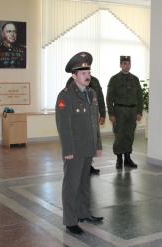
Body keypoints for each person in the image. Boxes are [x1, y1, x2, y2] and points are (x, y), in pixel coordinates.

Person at [55, 52, 103, 235]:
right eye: (83, 73)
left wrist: (97, 145)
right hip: (74, 150)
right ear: (74, 76)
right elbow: (63, 126)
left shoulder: (91, 93)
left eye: (88, 71)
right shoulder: (65, 96)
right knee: (71, 185)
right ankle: (70, 220)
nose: (87, 75)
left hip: (88, 147)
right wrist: (67, 149)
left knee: (84, 183)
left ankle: (83, 213)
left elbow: (94, 122)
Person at [106, 56, 143, 169]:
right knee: (119, 135)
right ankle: (119, 159)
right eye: (125, 63)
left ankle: (127, 158)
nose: (127, 65)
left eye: (129, 63)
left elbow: (139, 97)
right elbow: (109, 98)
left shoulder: (135, 79)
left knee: (129, 135)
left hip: (132, 111)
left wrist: (139, 112)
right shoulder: (114, 79)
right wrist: (111, 114)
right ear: (121, 65)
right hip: (119, 111)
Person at [65, 76, 105, 175]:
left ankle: (88, 166)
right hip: (79, 119)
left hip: (92, 118)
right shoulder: (71, 81)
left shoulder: (95, 80)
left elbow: (100, 98)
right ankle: (79, 167)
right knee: (81, 143)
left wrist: (103, 114)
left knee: (91, 142)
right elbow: (68, 100)